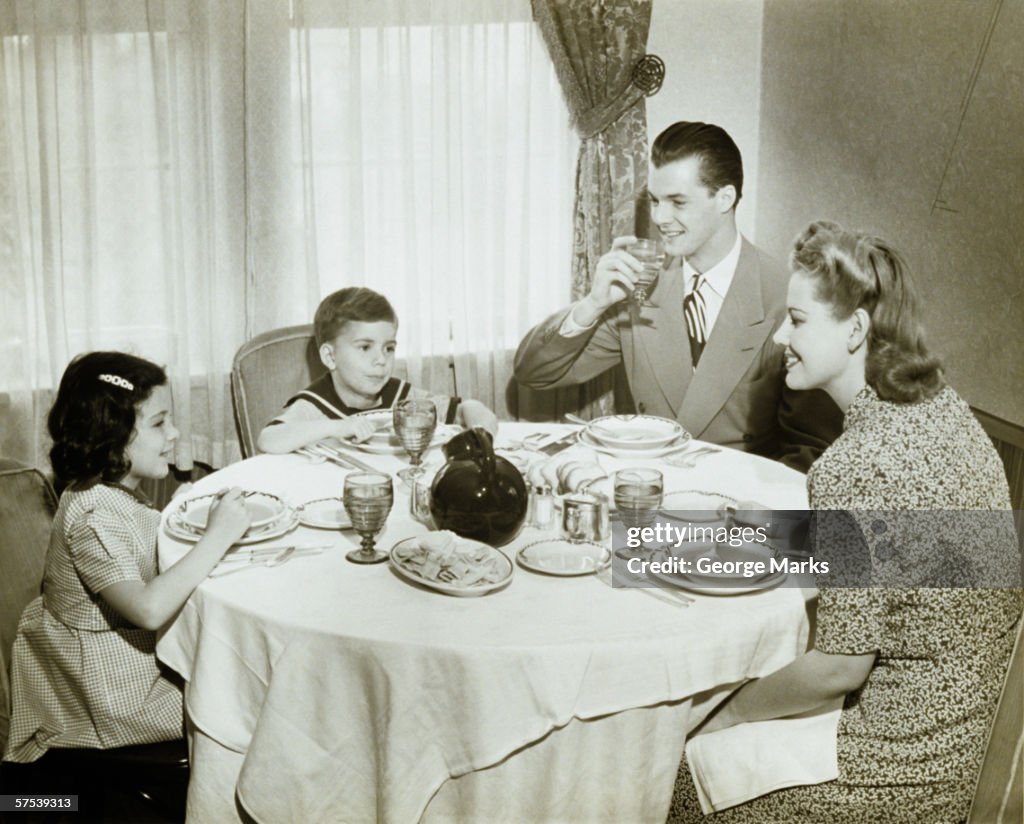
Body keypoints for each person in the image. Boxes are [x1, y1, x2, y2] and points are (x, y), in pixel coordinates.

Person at [668, 221, 1022, 822]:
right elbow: (908, 550)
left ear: (856, 330)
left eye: (798, 320)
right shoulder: (942, 410)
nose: (781, 336)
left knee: (678, 772)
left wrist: (717, 717)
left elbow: (837, 668)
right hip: (962, 734)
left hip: (897, 771)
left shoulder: (855, 464)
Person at [514, 121, 842, 471]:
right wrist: (593, 304)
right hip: (645, 493)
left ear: (725, 199)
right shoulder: (640, 287)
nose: (659, 217)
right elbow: (535, 373)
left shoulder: (785, 296)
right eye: (655, 201)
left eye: (677, 202)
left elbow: (812, 449)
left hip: (736, 507)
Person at [3, 352, 252, 763]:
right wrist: (218, 535)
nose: (174, 434)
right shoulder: (92, 516)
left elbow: (135, 542)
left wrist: (176, 511)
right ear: (110, 433)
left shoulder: (105, 491)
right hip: (110, 691)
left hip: (123, 659)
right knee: (238, 700)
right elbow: (149, 609)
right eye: (159, 423)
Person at [257, 287, 498, 454]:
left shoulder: (399, 396)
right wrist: (338, 427)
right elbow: (268, 439)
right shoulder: (315, 403)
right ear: (330, 357)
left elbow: (467, 409)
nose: (381, 360)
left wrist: (481, 434)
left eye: (389, 348)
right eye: (365, 347)